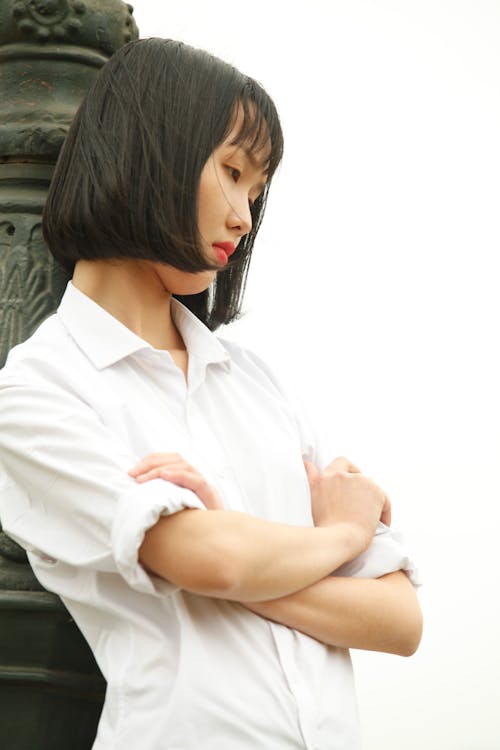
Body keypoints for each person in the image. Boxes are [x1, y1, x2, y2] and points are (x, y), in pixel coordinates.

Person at [0, 38, 422, 750]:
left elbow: (399, 621)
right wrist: (339, 536)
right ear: (147, 149)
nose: (244, 218)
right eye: (231, 172)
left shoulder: (257, 385)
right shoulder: (36, 391)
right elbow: (215, 560)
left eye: (255, 192)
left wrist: (233, 547)